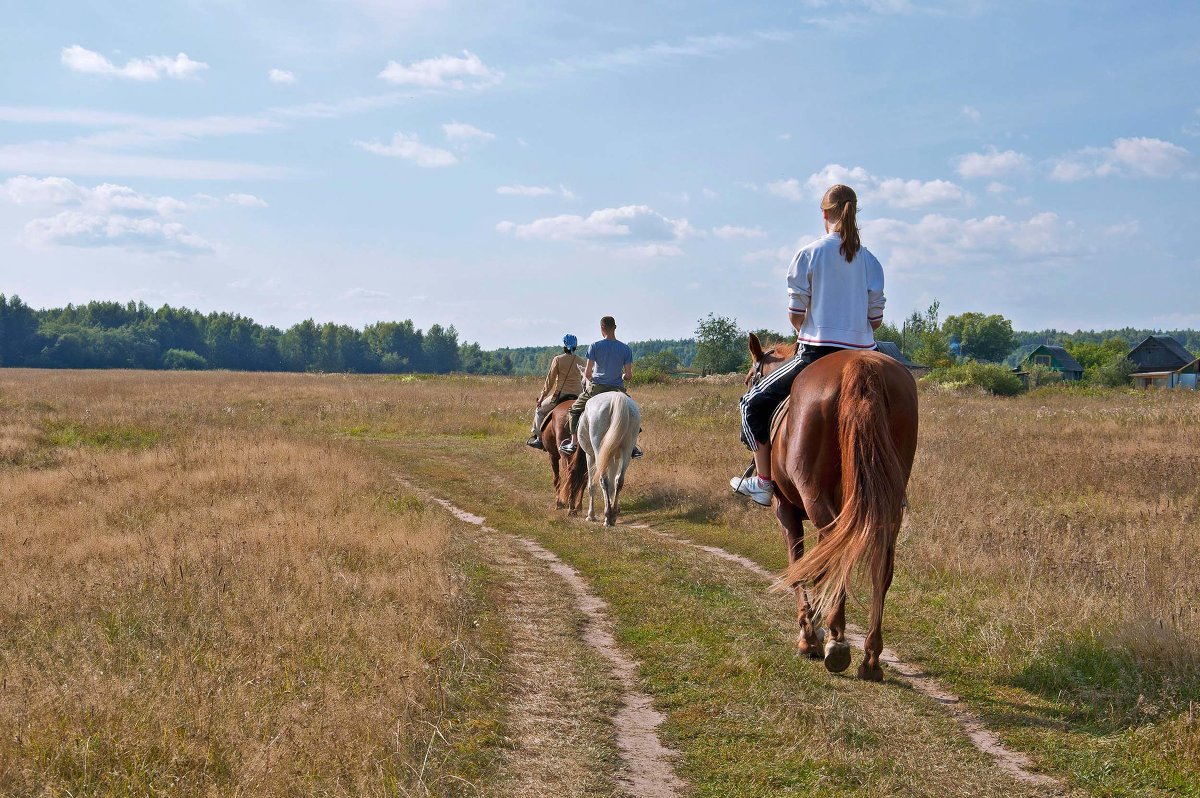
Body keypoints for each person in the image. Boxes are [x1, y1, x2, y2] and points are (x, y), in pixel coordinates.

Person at [731, 184, 885, 506]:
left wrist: (815, 326)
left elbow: (796, 315)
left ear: (825, 214)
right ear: (854, 212)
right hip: (865, 355)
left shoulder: (809, 255)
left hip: (817, 354)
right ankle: (892, 489)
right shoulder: (872, 262)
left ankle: (762, 482)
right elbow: (875, 322)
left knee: (750, 404)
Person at [558, 315, 643, 458]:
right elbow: (628, 376)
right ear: (615, 328)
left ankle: (573, 443)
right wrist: (620, 377)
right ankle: (632, 446)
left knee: (574, 410)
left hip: (597, 388)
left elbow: (588, 373)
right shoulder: (625, 349)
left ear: (601, 327)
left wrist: (595, 378)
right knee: (632, 413)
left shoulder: (595, 346)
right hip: (617, 390)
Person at [527, 334, 586, 449]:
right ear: (576, 346)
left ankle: (539, 439)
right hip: (578, 396)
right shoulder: (582, 361)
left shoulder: (558, 359)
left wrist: (542, 397)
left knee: (539, 410)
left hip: (561, 395)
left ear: (564, 345)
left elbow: (550, 380)